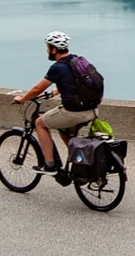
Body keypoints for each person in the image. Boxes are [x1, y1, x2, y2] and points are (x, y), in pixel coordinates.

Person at [15, 31, 105, 177]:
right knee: (64, 131)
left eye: (48, 48)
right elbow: (78, 82)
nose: (47, 51)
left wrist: (22, 99)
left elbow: (38, 89)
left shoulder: (57, 67)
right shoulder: (76, 60)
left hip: (74, 113)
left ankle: (49, 165)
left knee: (40, 123)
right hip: (92, 109)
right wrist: (59, 89)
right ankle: (81, 163)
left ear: (54, 49)